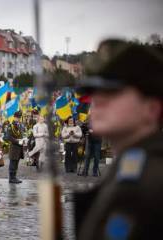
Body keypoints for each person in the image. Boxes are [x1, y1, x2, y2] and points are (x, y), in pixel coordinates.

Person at [75, 39, 163, 240]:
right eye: (94, 90)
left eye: (112, 91)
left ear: (152, 108)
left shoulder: (151, 181)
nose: (98, 100)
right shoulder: (129, 166)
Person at [6, 111, 25, 183]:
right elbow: (9, 137)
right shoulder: (10, 126)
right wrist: (17, 141)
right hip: (14, 147)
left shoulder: (19, 125)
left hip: (19, 147)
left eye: (19, 117)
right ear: (14, 117)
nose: (19, 119)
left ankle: (14, 177)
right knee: (13, 163)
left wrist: (23, 140)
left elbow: (20, 135)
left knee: (16, 163)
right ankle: (11, 178)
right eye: (17, 117)